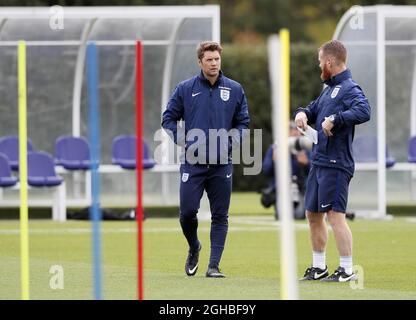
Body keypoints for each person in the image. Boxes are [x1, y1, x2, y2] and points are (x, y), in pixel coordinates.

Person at [161, 41, 250, 278]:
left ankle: (214, 266)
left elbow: (243, 122)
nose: (214, 63)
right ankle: (194, 247)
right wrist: (184, 140)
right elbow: (168, 118)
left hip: (222, 164)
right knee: (187, 212)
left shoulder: (234, 89)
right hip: (193, 162)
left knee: (220, 215)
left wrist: (232, 141)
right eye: (209, 60)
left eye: (217, 59)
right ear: (200, 62)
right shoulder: (185, 88)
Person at [294, 40, 370, 282]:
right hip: (319, 161)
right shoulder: (329, 89)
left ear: (329, 62)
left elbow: (364, 111)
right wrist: (302, 113)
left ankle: (347, 270)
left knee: (335, 216)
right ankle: (319, 267)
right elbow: (313, 109)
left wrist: (335, 119)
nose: (318, 65)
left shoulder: (349, 87)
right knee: (312, 214)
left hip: (337, 163)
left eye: (319, 61)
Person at [261, 122, 311, 220]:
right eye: (292, 131)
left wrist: (306, 164)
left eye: (298, 131)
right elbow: (266, 171)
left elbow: (315, 174)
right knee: (283, 216)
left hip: (301, 188)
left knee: (299, 215)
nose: (295, 133)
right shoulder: (275, 148)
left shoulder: (306, 148)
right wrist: (275, 161)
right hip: (281, 189)